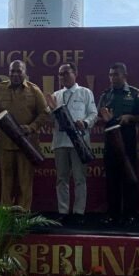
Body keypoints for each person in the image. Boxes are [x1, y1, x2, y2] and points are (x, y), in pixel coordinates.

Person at [0, 60, 49, 211]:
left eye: (19, 71)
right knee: (6, 182)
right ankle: (6, 216)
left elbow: (44, 113)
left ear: (25, 73)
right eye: (12, 71)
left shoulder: (34, 90)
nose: (15, 74)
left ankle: (23, 216)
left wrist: (31, 127)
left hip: (26, 144)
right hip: (5, 144)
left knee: (25, 183)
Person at [45, 62, 98, 225]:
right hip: (60, 142)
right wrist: (50, 109)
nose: (62, 77)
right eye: (60, 74)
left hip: (79, 142)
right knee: (61, 178)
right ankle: (63, 211)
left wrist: (85, 122)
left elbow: (93, 114)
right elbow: (49, 119)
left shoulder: (85, 92)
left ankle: (78, 212)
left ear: (75, 73)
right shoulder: (56, 95)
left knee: (80, 178)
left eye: (66, 73)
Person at [97, 62, 139, 226]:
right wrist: (104, 118)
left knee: (129, 176)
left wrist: (130, 117)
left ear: (124, 76)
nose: (113, 78)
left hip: (127, 139)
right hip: (110, 140)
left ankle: (131, 214)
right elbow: (98, 117)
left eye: (116, 75)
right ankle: (113, 214)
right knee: (111, 178)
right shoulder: (105, 95)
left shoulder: (134, 93)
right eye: (110, 75)